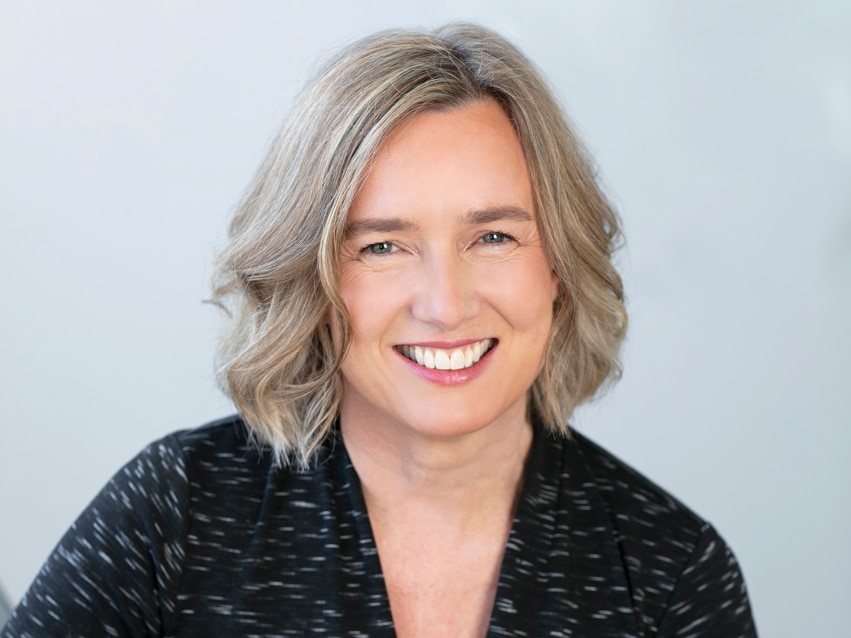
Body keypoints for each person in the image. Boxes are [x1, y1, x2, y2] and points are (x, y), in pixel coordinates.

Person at [2, 23, 757, 637]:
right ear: (317, 283)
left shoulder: (668, 573)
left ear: (557, 265)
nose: (444, 304)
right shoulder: (175, 514)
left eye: (492, 237)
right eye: (382, 246)